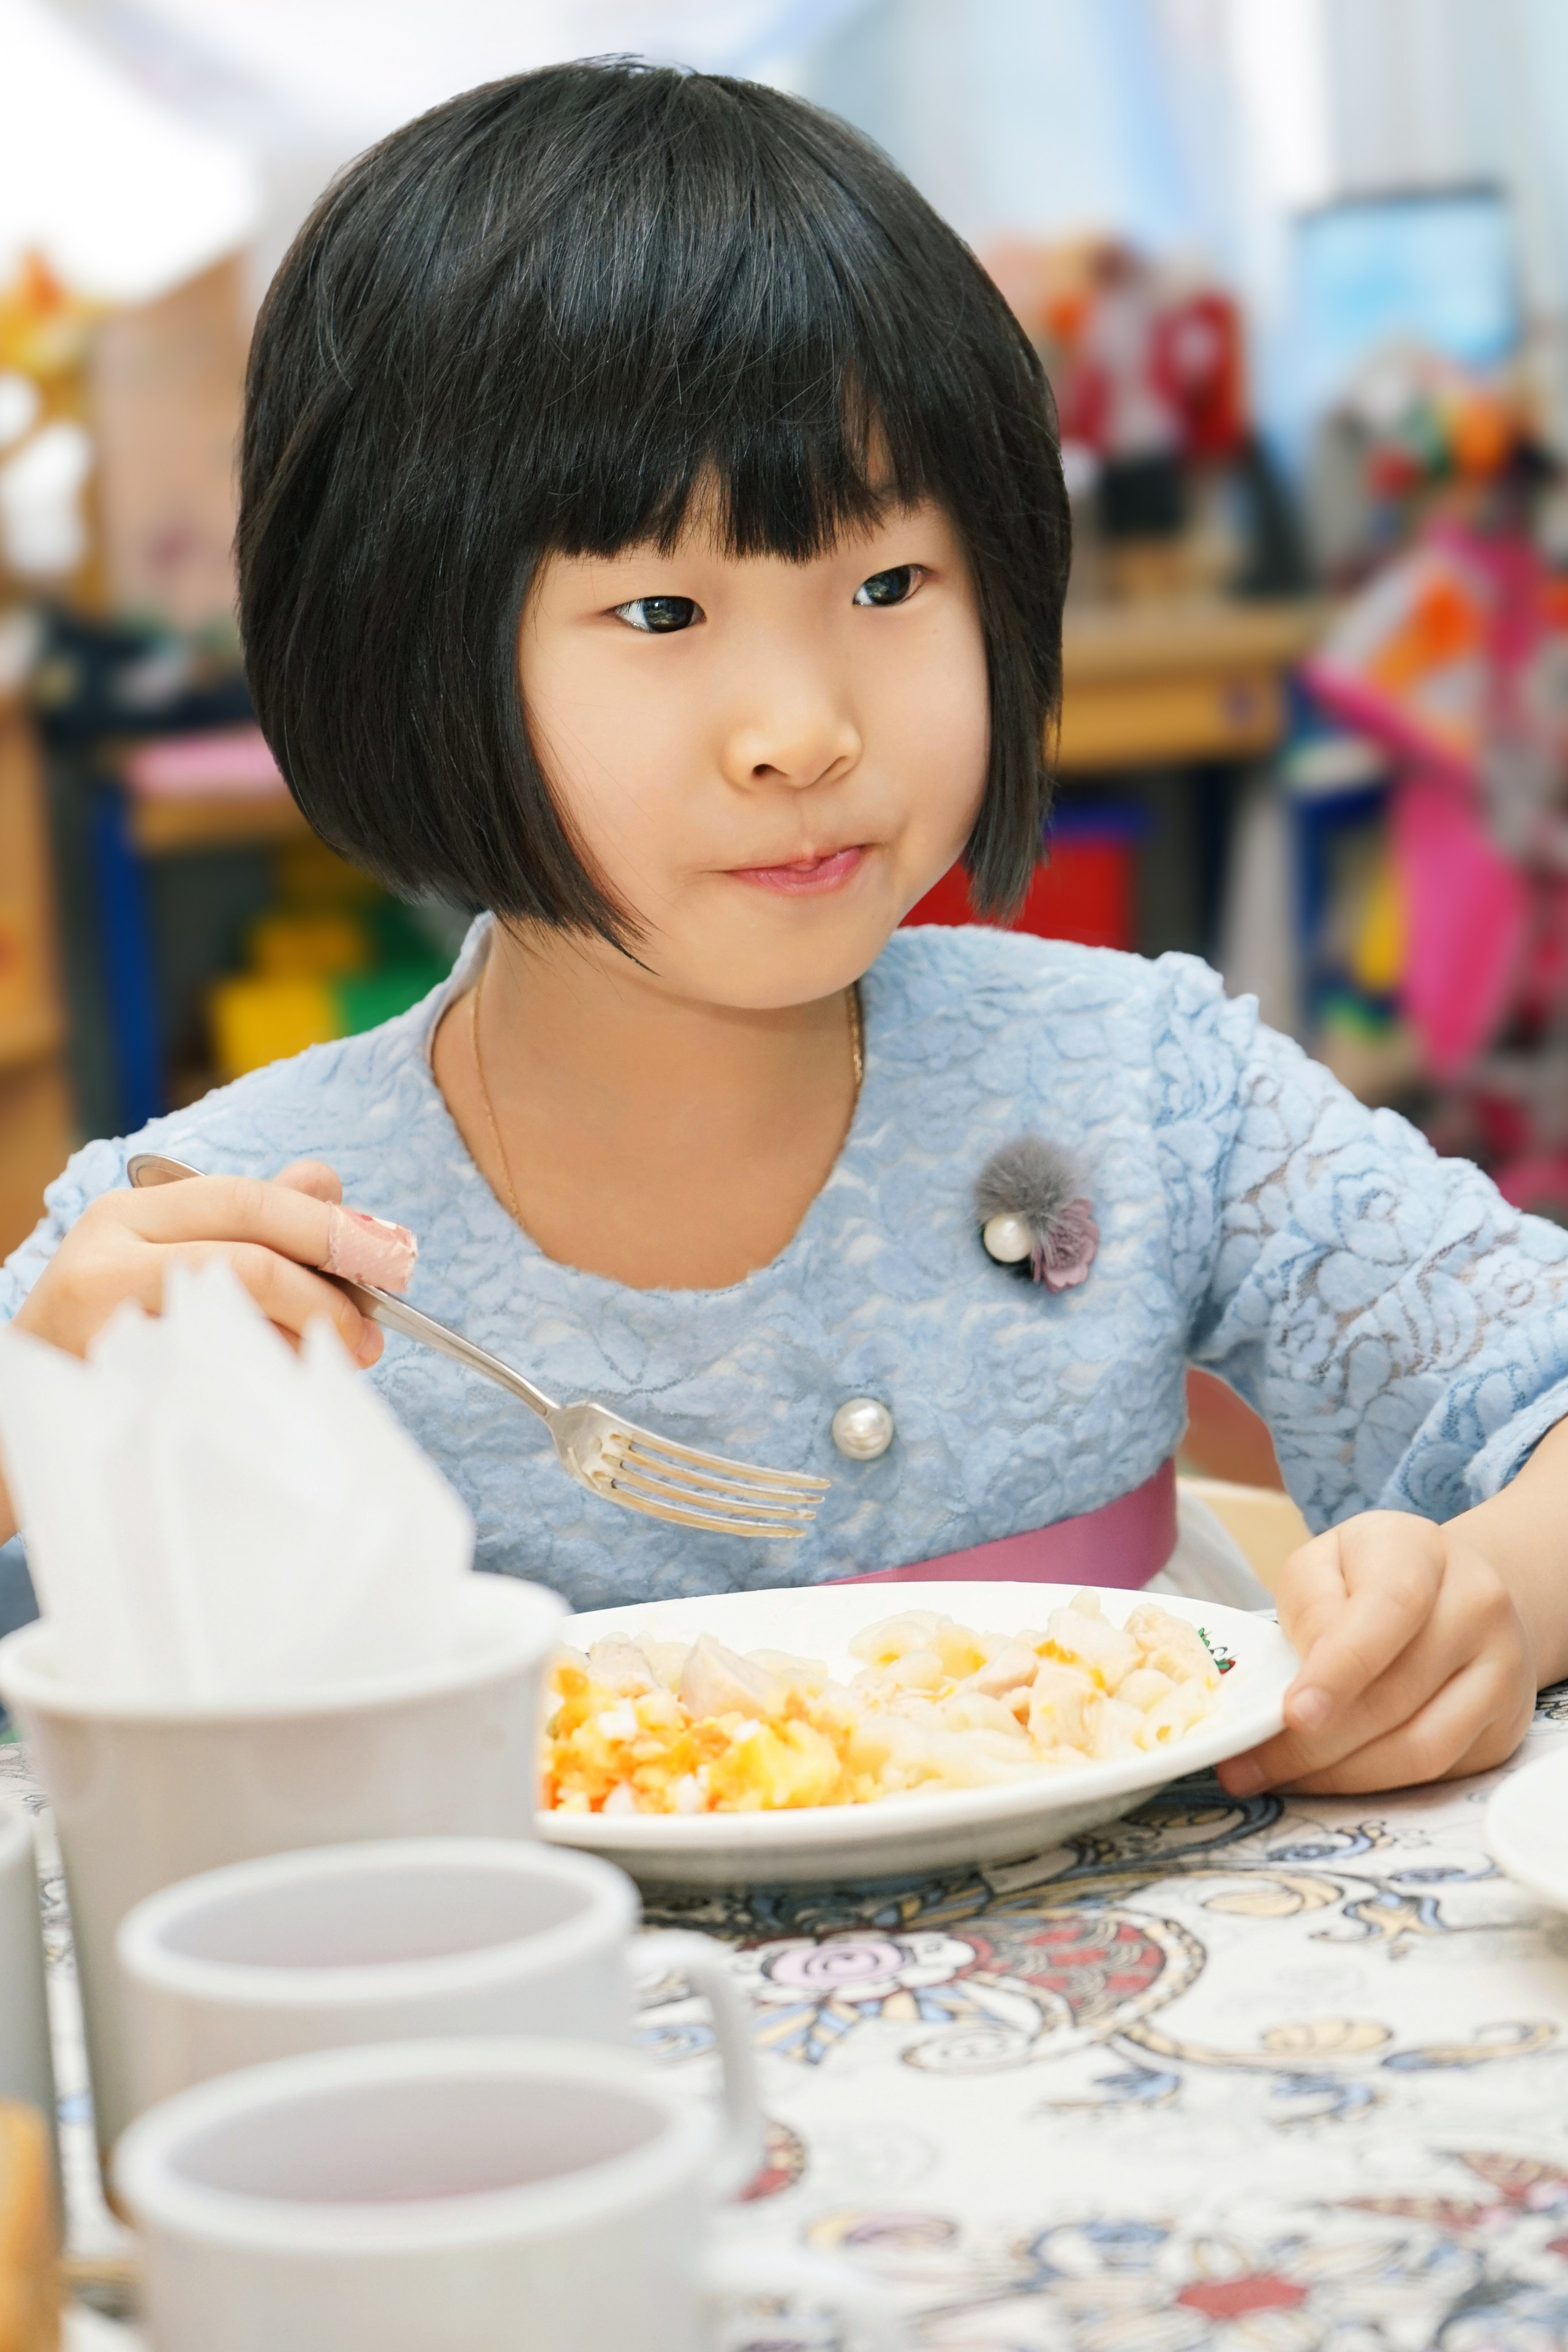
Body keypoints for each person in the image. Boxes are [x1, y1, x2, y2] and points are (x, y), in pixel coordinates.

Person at [2, 61, 1567, 1802]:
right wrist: (51, 1437)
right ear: (401, 642)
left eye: (891, 585)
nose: (804, 730)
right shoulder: (199, 1239)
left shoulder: (1144, 1087)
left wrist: (1486, 1598)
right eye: (662, 610)